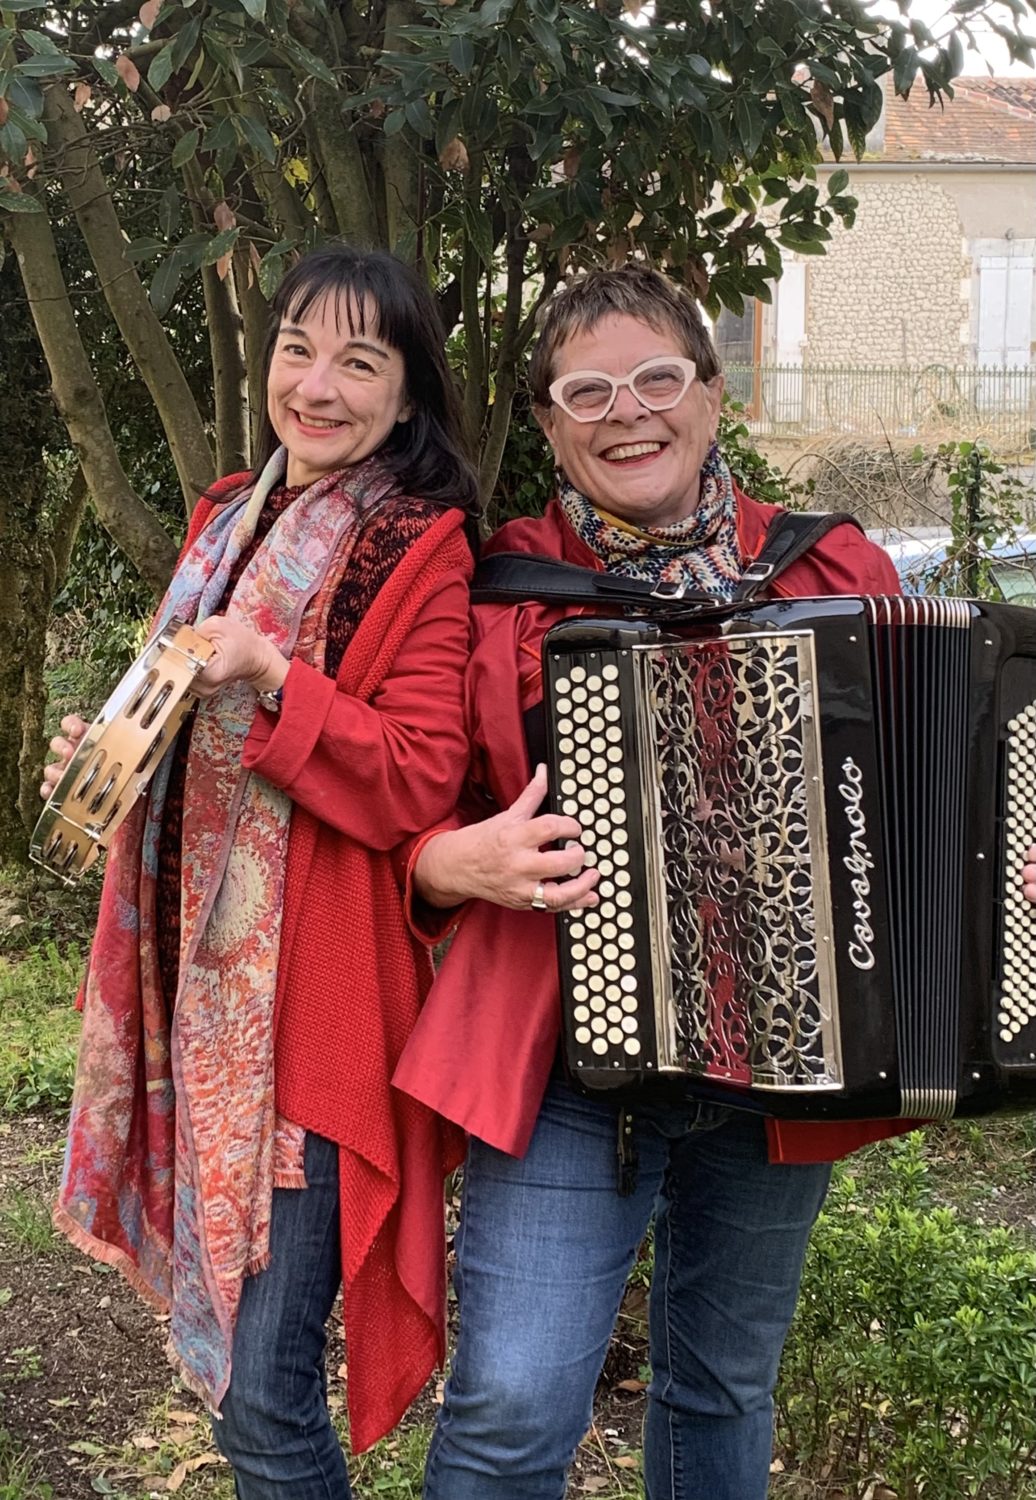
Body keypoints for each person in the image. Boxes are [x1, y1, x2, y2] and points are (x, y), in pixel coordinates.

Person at [390, 263, 1033, 1500]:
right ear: (545, 423)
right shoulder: (494, 588)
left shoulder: (826, 564)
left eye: (655, 378)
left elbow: (949, 778)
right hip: (563, 1063)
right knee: (514, 1401)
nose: (625, 410)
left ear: (712, 391)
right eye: (586, 390)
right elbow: (407, 801)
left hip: (787, 1058)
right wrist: (441, 865)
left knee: (722, 1386)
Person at [43, 243, 479, 1499]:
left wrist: (279, 678)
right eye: (298, 347)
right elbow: (178, 713)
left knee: (264, 1390)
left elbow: (415, 777)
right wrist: (114, 751)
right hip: (194, 998)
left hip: (308, 1013)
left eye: (361, 359)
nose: (318, 383)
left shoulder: (423, 546)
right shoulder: (228, 518)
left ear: (408, 393)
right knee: (245, 1388)